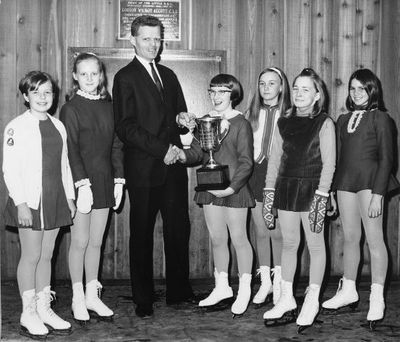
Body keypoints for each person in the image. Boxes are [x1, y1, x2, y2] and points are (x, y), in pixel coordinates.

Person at [112, 15, 196, 318]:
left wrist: (183, 119)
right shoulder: (125, 77)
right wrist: (164, 150)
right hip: (145, 168)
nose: (153, 44)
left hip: (173, 169)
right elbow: (126, 127)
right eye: (146, 38)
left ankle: (178, 291)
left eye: (157, 38)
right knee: (142, 233)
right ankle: (143, 299)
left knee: (178, 230)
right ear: (133, 40)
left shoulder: (169, 74)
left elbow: (176, 114)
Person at [322, 69, 398, 329]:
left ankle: (377, 297)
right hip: (345, 183)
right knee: (351, 238)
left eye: (361, 89)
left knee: (375, 240)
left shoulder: (382, 119)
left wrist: (378, 194)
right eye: (352, 88)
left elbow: (387, 159)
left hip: (369, 184)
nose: (356, 93)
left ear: (372, 90)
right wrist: (331, 191)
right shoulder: (342, 120)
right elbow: (338, 158)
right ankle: (349, 289)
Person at [3, 71, 75, 339]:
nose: (43, 97)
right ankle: (28, 311)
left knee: (47, 255)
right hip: (30, 201)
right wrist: (20, 203)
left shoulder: (58, 126)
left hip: (55, 198)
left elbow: (64, 165)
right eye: (36, 92)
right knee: (31, 256)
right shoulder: (15, 127)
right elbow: (9, 169)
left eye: (48, 92)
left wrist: (69, 197)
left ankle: (44, 308)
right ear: (26, 96)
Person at [262, 68, 336, 331]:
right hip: (286, 188)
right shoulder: (283, 122)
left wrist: (322, 195)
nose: (300, 93)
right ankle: (287, 298)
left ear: (317, 95)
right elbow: (274, 161)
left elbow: (329, 163)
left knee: (315, 246)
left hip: (312, 189)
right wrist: (269, 193)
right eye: (296, 88)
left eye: (306, 89)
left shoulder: (325, 122)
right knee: (289, 244)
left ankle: (312, 300)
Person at [176, 73, 255, 317]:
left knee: (239, 238)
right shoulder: (205, 121)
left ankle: (244, 289)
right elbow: (198, 154)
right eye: (212, 91)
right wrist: (181, 153)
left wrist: (232, 188)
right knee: (218, 239)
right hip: (211, 189)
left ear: (233, 94)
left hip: (234, 190)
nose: (216, 96)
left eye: (222, 91)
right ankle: (222, 287)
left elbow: (246, 162)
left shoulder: (241, 123)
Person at [60, 52, 124, 324]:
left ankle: (91, 294)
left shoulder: (109, 106)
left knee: (97, 242)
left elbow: (117, 145)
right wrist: (80, 183)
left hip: (105, 180)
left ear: (101, 76)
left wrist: (119, 179)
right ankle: (77, 297)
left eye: (94, 73)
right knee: (80, 241)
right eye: (83, 73)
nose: (89, 78)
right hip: (81, 183)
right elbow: (70, 148)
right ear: (75, 77)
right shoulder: (71, 108)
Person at [245, 67, 291, 307]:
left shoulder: (291, 115)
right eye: (262, 83)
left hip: (279, 176)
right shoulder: (249, 115)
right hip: (255, 173)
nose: (266, 88)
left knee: (278, 232)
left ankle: (282, 282)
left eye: (272, 83)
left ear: (281, 87)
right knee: (261, 231)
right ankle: (265, 282)